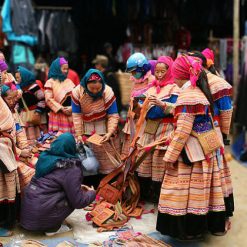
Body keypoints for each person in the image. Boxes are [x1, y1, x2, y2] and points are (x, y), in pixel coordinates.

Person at [157, 54, 231, 240]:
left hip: (192, 152)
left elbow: (182, 132)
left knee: (183, 191)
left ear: (178, 74)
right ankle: (200, 227)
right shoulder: (196, 91)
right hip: (205, 147)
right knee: (201, 192)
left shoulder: (188, 96)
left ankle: (188, 231)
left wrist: (169, 157)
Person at [20, 133, 96, 236]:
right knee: (72, 198)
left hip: (27, 216)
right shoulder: (71, 167)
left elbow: (51, 183)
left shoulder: (44, 158)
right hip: (40, 216)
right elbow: (78, 202)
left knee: (55, 193)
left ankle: (47, 221)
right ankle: (52, 228)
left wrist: (78, 187)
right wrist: (91, 193)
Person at [189, 50, 234, 223]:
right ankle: (214, 215)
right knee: (214, 175)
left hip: (208, 134)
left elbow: (226, 112)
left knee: (210, 175)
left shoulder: (216, 83)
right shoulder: (193, 82)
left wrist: (223, 134)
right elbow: (226, 112)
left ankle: (212, 215)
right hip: (209, 133)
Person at [136, 56, 180, 202]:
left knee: (160, 160)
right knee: (145, 158)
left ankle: (160, 196)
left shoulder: (174, 88)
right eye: (157, 71)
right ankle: (146, 194)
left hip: (165, 129)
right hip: (149, 128)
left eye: (163, 71)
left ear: (169, 71)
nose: (160, 75)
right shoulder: (151, 88)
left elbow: (175, 109)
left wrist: (160, 105)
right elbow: (143, 108)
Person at [72, 69, 120, 181]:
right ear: (85, 85)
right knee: (90, 162)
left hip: (105, 129)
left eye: (98, 89)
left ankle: (108, 190)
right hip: (86, 130)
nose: (95, 91)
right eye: (92, 88)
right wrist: (79, 134)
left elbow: (113, 115)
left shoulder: (108, 92)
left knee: (109, 163)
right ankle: (92, 190)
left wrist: (109, 132)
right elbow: (77, 115)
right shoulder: (77, 92)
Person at [1, 85, 35, 191]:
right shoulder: (2, 115)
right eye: (9, 99)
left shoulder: (14, 112)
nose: (12, 101)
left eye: (14, 98)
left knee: (39, 163)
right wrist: (20, 152)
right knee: (31, 174)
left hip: (16, 151)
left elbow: (20, 131)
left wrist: (25, 148)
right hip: (6, 156)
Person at [121, 52, 155, 158]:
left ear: (142, 68)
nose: (133, 74)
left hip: (144, 120)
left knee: (140, 151)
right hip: (133, 120)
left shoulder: (151, 80)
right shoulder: (135, 81)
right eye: (132, 72)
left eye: (135, 71)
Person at [0, 81, 21, 237]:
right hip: (3, 150)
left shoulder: (10, 109)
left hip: (6, 149)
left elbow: (17, 132)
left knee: (7, 188)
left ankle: (7, 220)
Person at [16, 66, 47, 144]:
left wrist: (38, 112)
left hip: (35, 115)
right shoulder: (19, 90)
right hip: (24, 115)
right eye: (16, 78)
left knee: (37, 135)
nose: (17, 80)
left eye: (18, 78)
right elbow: (18, 103)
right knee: (27, 136)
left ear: (24, 77)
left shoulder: (34, 87)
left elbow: (42, 100)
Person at [44, 57, 75, 134]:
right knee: (58, 137)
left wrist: (72, 108)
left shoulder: (69, 81)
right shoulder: (50, 82)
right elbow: (48, 99)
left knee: (71, 138)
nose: (66, 71)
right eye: (63, 69)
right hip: (57, 115)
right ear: (57, 68)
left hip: (70, 114)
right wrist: (61, 109)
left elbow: (76, 97)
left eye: (67, 69)